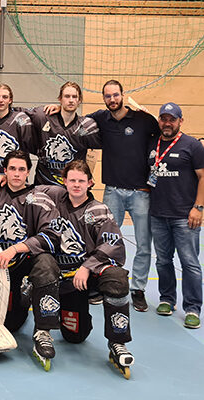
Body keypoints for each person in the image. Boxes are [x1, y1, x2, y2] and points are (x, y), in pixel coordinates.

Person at [47, 80, 160, 312]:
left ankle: (138, 290)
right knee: (102, 242)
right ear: (103, 98)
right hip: (113, 192)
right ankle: (98, 284)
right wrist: (59, 108)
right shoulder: (100, 118)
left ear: (122, 95)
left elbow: (161, 137)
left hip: (140, 192)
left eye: (115, 95)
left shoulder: (142, 119)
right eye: (107, 96)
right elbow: (74, 116)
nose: (112, 99)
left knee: (143, 245)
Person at [0, 150, 61, 370]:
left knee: (47, 263)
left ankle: (43, 331)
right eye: (12, 169)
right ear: (4, 171)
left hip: (23, 262)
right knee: (10, 324)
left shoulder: (39, 198)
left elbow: (51, 236)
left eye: (22, 169)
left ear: (28, 172)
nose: (17, 173)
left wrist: (14, 249)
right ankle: (23, 294)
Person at [45, 160, 134, 377]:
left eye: (81, 181)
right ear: (64, 182)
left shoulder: (99, 210)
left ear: (90, 183)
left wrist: (87, 266)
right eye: (72, 180)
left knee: (117, 278)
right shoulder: (54, 201)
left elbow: (112, 243)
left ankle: (118, 341)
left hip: (90, 275)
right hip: (66, 280)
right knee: (74, 336)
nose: (76, 185)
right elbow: (25, 189)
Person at [148, 103, 204, 329]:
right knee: (163, 260)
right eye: (163, 118)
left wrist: (198, 207)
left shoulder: (192, 145)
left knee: (189, 263)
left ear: (180, 121)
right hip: (158, 214)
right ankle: (167, 299)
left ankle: (192, 308)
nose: (167, 123)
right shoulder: (153, 144)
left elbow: (203, 177)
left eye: (172, 119)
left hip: (185, 215)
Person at [26, 82, 101, 185]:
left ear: (79, 100)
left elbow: (97, 149)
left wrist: (87, 176)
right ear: (60, 99)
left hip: (72, 189)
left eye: (74, 97)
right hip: (44, 187)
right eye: (67, 96)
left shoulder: (87, 126)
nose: (71, 100)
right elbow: (15, 113)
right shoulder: (43, 116)